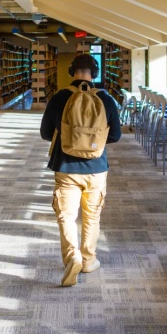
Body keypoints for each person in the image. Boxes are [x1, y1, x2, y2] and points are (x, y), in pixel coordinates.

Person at [40, 53, 122, 287]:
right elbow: (116, 135)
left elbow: (45, 133)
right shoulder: (105, 99)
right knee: (92, 215)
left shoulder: (59, 98)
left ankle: (72, 258)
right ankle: (88, 260)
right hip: (96, 168)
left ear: (71, 71)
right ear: (94, 73)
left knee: (66, 216)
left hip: (66, 167)